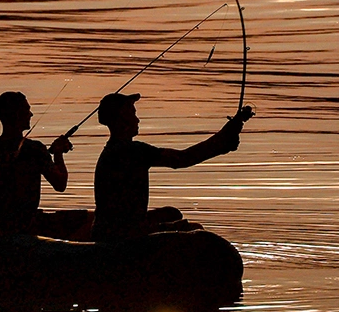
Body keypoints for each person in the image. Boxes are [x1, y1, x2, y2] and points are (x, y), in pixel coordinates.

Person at [92, 92, 252, 243]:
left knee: (171, 213)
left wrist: (223, 143)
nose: (137, 120)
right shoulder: (132, 151)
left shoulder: (113, 150)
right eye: (133, 114)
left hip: (108, 229)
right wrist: (226, 135)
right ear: (123, 118)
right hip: (124, 234)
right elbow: (182, 159)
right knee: (194, 230)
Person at [0, 91, 79, 236]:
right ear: (17, 115)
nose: (31, 114)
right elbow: (60, 184)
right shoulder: (35, 149)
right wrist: (58, 153)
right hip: (28, 226)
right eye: (27, 110)